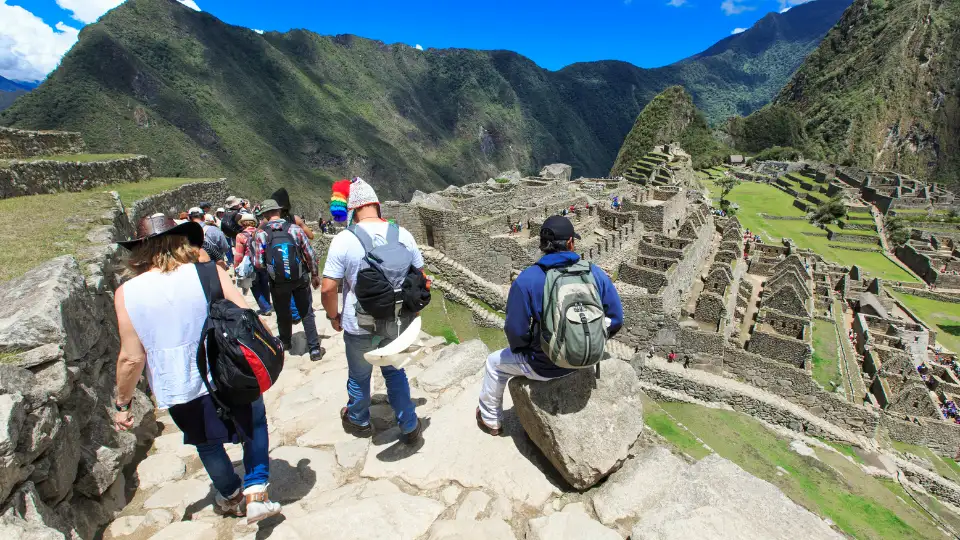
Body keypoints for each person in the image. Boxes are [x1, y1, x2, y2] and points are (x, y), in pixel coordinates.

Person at [112, 215, 281, 523]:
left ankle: (232, 495)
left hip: (178, 382)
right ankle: (257, 491)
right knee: (253, 425)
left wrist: (122, 402)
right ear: (182, 241)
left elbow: (131, 358)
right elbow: (245, 316)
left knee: (206, 443)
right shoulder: (209, 273)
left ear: (141, 250)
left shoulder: (127, 294)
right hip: (226, 368)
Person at [476, 215, 623, 436]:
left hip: (546, 365)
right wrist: (590, 340)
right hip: (589, 358)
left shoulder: (528, 279)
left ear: (542, 246)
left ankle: (490, 420)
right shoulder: (595, 273)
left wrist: (527, 351)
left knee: (493, 364)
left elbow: (515, 329)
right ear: (571, 243)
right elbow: (616, 319)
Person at [320, 178, 423, 444]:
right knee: (394, 371)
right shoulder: (403, 234)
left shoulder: (344, 239)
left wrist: (334, 316)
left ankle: (359, 420)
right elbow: (420, 277)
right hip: (397, 320)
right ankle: (409, 424)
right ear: (377, 205)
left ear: (353, 210)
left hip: (359, 324)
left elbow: (329, 288)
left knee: (359, 374)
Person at [253, 199, 324, 361]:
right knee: (306, 312)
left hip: (277, 282)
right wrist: (314, 275)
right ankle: (314, 349)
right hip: (299, 278)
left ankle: (285, 342)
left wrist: (272, 269)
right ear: (279, 212)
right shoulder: (295, 230)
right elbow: (310, 255)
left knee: (282, 311)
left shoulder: (261, 234)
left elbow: (258, 263)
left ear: (264, 215)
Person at [235, 213, 272, 315]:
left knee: (254, 285)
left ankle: (265, 308)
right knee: (265, 284)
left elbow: (238, 255)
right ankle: (267, 303)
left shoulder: (241, 236)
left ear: (242, 223)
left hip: (250, 263)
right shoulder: (261, 232)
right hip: (262, 261)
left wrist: (236, 267)